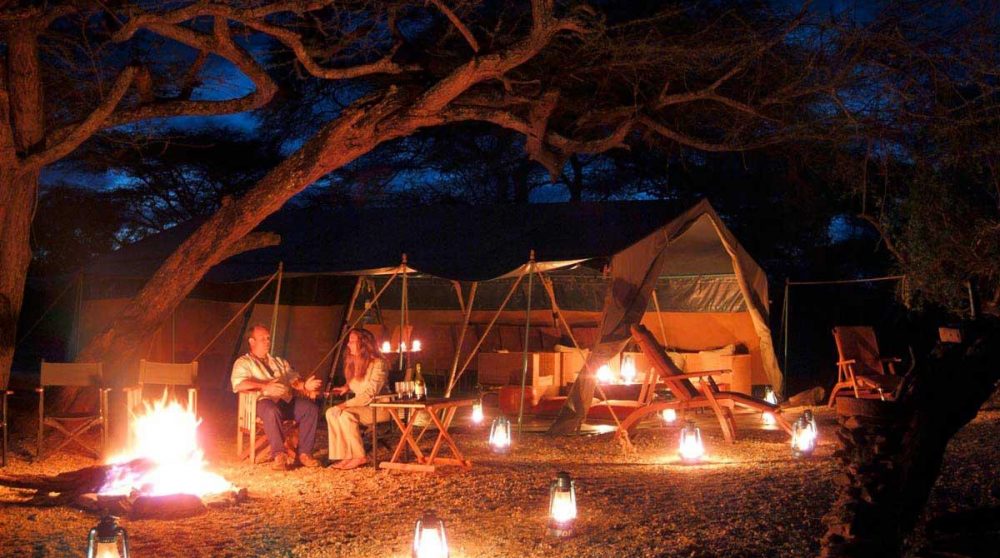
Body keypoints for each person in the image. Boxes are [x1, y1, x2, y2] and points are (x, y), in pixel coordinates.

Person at [232, 324, 322, 471]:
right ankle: (279, 455)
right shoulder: (243, 363)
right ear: (252, 342)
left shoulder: (278, 362)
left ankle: (304, 453)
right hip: (262, 402)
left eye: (268, 339)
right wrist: (264, 386)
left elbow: (294, 380)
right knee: (271, 410)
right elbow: (239, 384)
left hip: (284, 401)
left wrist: (305, 385)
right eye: (263, 339)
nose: (267, 342)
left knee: (310, 409)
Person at [326, 328, 388, 470]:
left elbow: (370, 393)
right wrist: (347, 387)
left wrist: (344, 405)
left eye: (352, 342)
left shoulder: (379, 364)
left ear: (364, 344)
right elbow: (359, 382)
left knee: (345, 414)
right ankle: (346, 456)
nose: (348, 345)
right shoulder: (356, 363)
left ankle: (359, 456)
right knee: (331, 412)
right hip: (364, 406)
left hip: (380, 408)